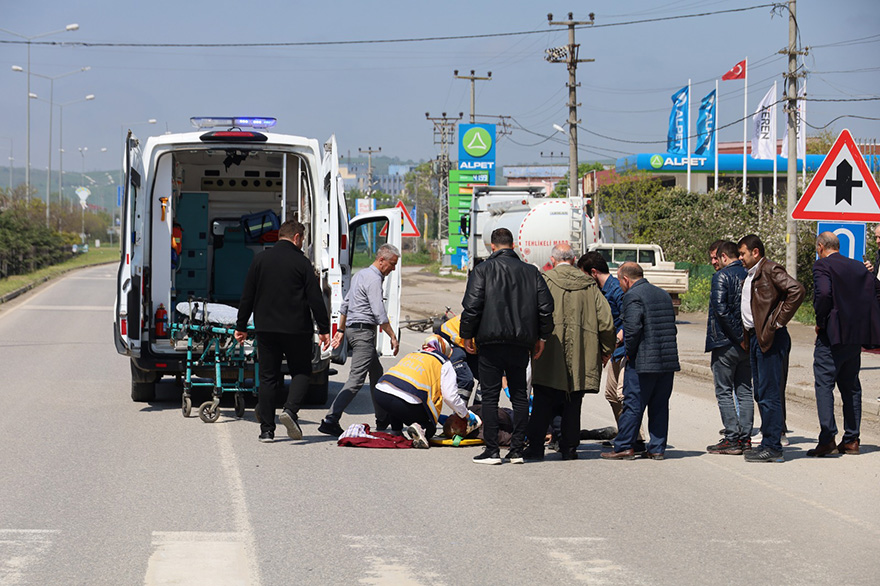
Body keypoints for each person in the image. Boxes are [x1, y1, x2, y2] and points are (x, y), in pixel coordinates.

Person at [460, 227, 554, 465]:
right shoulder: (531, 272)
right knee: (520, 396)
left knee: (490, 397)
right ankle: (517, 450)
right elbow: (545, 308)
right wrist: (542, 338)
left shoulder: (482, 270)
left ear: (492, 246)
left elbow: (472, 307)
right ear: (513, 246)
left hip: (489, 342)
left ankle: (492, 450)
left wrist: (466, 335)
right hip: (520, 343)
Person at [234, 219, 331, 443]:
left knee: (267, 377)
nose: (302, 243)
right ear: (296, 237)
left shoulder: (260, 260)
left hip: (266, 329)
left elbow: (247, 295)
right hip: (297, 329)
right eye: (302, 239)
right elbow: (315, 299)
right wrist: (324, 328)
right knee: (301, 371)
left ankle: (267, 431)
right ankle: (289, 411)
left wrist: (241, 326)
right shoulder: (302, 263)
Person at [526, 244, 615, 461]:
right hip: (581, 355)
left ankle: (536, 448)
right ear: (574, 260)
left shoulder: (544, 281)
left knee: (542, 401)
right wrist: (605, 350)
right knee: (573, 402)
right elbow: (606, 323)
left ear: (553, 259)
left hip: (547, 353)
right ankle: (569, 448)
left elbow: (530, 314)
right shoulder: (589, 286)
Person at [806, 232, 880, 457]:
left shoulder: (822, 266)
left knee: (824, 385)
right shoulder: (859, 267)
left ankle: (828, 438)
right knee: (851, 386)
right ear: (838, 246)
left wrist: (820, 322)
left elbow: (824, 294)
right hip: (854, 337)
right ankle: (852, 439)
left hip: (832, 336)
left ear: (820, 247)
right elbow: (877, 290)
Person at [319, 243, 401, 437]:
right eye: (392, 264)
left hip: (353, 330)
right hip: (364, 333)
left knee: (377, 373)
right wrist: (393, 336)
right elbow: (379, 313)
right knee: (355, 380)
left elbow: (345, 304)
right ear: (381, 260)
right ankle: (331, 419)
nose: (393, 269)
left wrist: (340, 329)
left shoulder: (361, 275)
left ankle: (382, 419)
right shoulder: (373, 279)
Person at [601, 262, 680, 461]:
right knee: (659, 405)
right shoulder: (662, 294)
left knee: (633, 403)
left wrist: (629, 351)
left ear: (626, 279)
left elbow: (633, 328)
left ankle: (624, 446)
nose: (619, 285)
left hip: (643, 361)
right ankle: (657, 448)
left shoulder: (632, 296)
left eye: (619, 281)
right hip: (666, 360)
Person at [737, 234, 804, 463]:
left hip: (771, 339)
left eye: (743, 253)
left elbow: (797, 290)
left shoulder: (770, 269)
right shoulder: (752, 273)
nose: (740, 258)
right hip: (757, 338)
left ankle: (773, 446)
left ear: (755, 252)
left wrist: (777, 322)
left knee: (769, 393)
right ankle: (767, 441)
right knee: (761, 392)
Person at [577, 251, 646, 446]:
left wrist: (614, 343)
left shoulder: (616, 289)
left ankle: (636, 439)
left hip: (623, 349)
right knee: (610, 394)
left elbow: (629, 321)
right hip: (613, 351)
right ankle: (624, 433)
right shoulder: (600, 290)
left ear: (592, 272)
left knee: (624, 394)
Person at [371, 335, 478, 448]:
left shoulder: (413, 354)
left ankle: (396, 430)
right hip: (404, 401)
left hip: (380, 392)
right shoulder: (444, 362)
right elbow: (450, 397)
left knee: (397, 394)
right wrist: (466, 414)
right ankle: (421, 427)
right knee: (431, 427)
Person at [705, 241, 753, 455]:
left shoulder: (721, 276)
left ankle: (732, 438)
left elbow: (721, 310)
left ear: (725, 256)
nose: (715, 262)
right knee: (744, 390)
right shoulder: (749, 274)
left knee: (724, 391)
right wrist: (746, 338)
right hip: (748, 343)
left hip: (725, 343)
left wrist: (737, 337)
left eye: (717, 258)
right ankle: (745, 438)